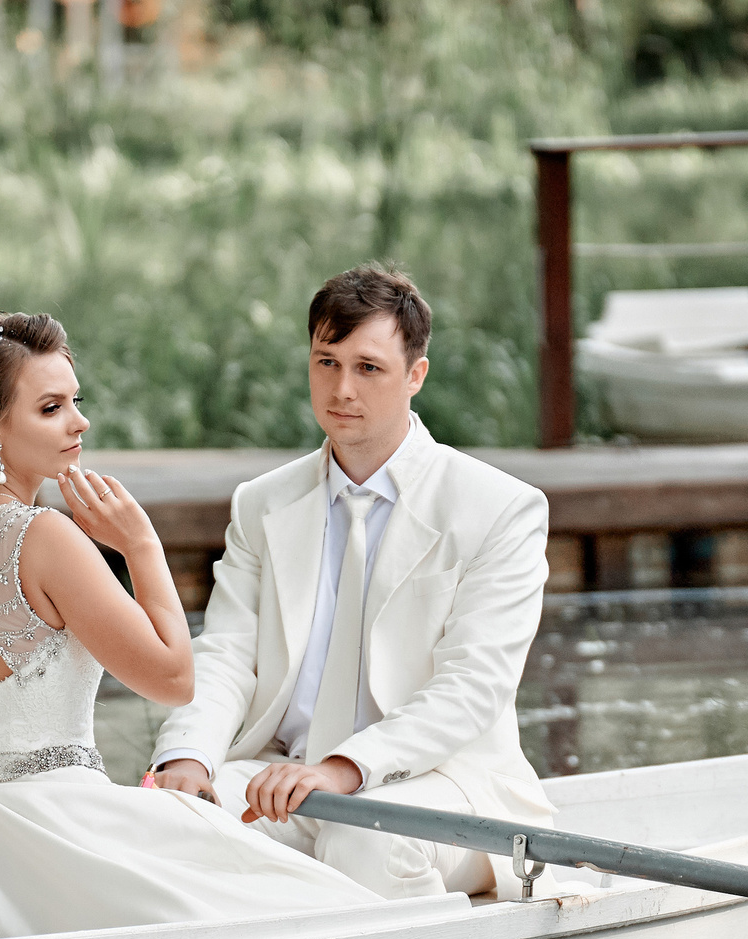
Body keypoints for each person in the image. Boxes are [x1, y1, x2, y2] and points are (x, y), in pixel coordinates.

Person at [0, 311, 378, 939]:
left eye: (74, 402)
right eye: (52, 408)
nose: (79, 422)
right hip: (54, 822)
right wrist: (141, 545)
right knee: (286, 903)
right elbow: (173, 679)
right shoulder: (45, 536)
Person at [149, 265, 555, 897]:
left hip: (445, 783)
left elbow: (472, 687)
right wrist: (188, 758)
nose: (341, 389)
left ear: (415, 375)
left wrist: (345, 769)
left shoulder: (499, 508)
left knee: (364, 835)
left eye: (368, 367)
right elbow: (227, 655)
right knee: (164, 822)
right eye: (326, 362)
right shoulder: (262, 503)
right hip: (284, 775)